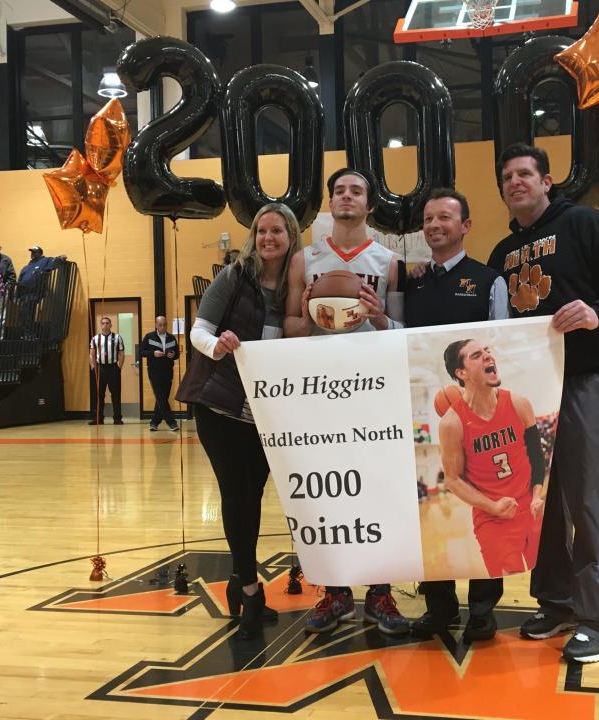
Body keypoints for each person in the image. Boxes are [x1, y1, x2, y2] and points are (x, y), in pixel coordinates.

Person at [486, 143, 599, 664]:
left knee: (591, 503)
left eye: (524, 174)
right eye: (507, 177)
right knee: (545, 504)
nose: (515, 182)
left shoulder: (583, 223)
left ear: (546, 180)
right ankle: (555, 602)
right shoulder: (500, 255)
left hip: (585, 383)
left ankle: (597, 619)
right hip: (530, 395)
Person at [285, 168, 409, 637]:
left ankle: (380, 592)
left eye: (355, 191)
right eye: (339, 191)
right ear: (330, 203)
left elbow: (400, 333)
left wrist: (378, 317)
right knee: (326, 494)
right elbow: (290, 330)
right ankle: (335, 592)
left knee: (378, 491)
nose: (346, 197)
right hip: (321, 391)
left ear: (368, 204)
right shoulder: (305, 259)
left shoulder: (388, 261)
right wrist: (306, 312)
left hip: (373, 390)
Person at [176, 202, 301, 639]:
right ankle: (250, 590)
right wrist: (219, 344)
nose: (269, 238)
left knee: (253, 495)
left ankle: (237, 580)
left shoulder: (296, 284)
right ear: (254, 235)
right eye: (262, 230)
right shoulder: (233, 276)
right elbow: (198, 331)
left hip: (265, 413)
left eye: (277, 232)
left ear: (290, 237)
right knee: (236, 494)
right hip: (220, 405)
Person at [403, 188, 509, 643]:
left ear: (465, 226)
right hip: (423, 414)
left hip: (482, 417)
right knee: (431, 506)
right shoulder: (413, 281)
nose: (434, 225)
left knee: (485, 504)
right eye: (428, 219)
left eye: (444, 218)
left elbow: (500, 344)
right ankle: (439, 605)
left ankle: (483, 607)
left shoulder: (489, 281)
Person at [437, 340, 545, 633]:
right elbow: (453, 479)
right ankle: (481, 615)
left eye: (487, 351)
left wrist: (537, 494)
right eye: (476, 355)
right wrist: (492, 506)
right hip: (492, 515)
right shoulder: (452, 422)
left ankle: (554, 609)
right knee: (502, 570)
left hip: (529, 503)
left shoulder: (519, 403)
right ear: (461, 373)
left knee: (547, 561)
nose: (487, 355)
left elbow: (538, 457)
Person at [140, 316, 180, 432]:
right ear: (156, 325)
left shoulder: (172, 338)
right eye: (160, 325)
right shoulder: (149, 337)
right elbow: (142, 352)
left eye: (164, 325)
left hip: (167, 371)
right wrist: (153, 353)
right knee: (160, 396)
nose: (162, 327)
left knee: (162, 397)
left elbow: (177, 353)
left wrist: (173, 355)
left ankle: (154, 422)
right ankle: (171, 422)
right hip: (154, 371)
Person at [16, 246, 66, 336]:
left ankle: (29, 335)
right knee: (23, 315)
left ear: (40, 253)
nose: (32, 254)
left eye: (35, 252)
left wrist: (61, 258)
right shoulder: (27, 266)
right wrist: (17, 295)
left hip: (34, 292)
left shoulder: (45, 261)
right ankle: (27, 334)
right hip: (24, 294)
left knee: (27, 314)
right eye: (32, 252)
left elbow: (54, 261)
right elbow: (20, 280)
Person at [89, 316, 124, 425]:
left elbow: (121, 353)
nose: (105, 325)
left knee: (116, 394)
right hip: (100, 368)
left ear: (111, 325)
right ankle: (98, 418)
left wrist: (119, 367)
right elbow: (92, 353)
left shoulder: (117, 337)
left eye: (107, 323)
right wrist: (93, 367)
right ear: (101, 325)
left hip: (113, 368)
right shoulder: (95, 338)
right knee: (99, 394)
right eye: (103, 323)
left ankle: (117, 418)